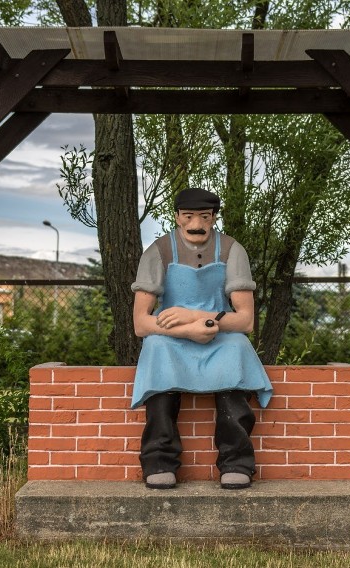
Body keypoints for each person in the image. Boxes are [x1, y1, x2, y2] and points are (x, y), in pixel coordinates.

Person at [131, 187, 272, 490]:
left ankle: (236, 460)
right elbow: (142, 324)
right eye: (189, 216)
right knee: (155, 348)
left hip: (217, 334)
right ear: (177, 217)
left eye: (204, 217)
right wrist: (186, 329)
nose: (196, 224)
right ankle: (159, 459)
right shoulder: (159, 252)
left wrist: (197, 319)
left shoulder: (233, 250)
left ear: (214, 218)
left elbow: (245, 320)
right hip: (170, 338)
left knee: (237, 348)